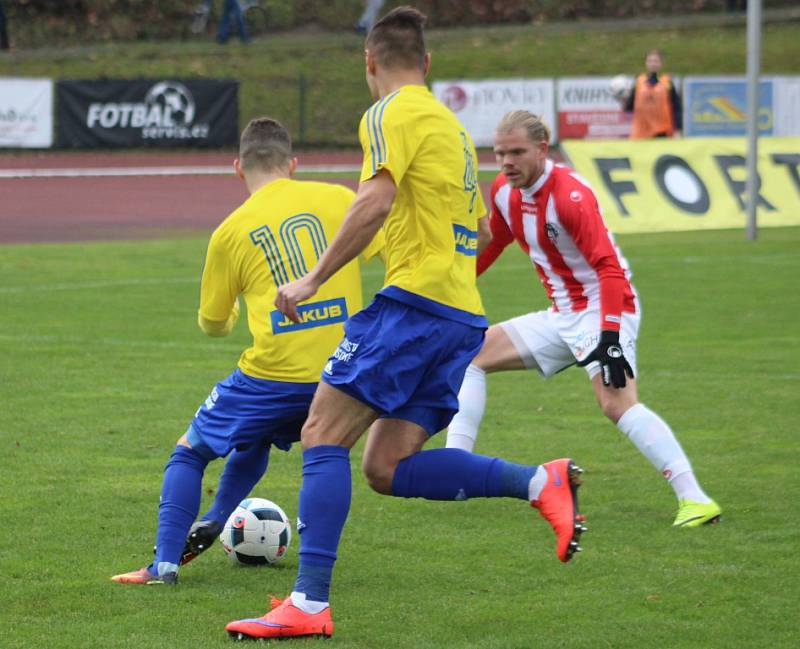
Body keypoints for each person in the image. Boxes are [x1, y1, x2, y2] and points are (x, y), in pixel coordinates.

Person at [225, 7, 585, 642]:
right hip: (459, 316)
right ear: (428, 64)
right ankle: (538, 480)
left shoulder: (389, 112)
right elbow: (474, 230)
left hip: (413, 307)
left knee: (322, 432)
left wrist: (312, 278)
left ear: (370, 62)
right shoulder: (450, 128)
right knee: (386, 468)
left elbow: (376, 197)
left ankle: (309, 604)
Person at [110, 117, 383, 585]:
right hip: (344, 372)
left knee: (190, 452)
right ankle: (219, 516)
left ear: (238, 168)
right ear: (294, 164)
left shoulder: (230, 231)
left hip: (273, 376)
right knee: (263, 439)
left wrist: (237, 313)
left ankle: (164, 566)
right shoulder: (340, 200)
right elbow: (392, 255)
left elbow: (213, 324)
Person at [445, 110, 721, 530]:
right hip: (563, 314)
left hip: (605, 308)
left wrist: (609, 334)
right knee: (472, 354)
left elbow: (608, 268)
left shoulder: (571, 196)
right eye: (499, 153)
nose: (506, 162)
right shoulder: (503, 190)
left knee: (616, 403)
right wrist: (453, 284)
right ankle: (457, 467)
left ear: (542, 148)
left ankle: (695, 499)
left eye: (516, 152)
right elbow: (496, 241)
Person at [624, 49, 682, 138]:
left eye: (656, 61)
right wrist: (622, 99)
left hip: (662, 132)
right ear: (646, 63)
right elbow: (629, 107)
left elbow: (676, 108)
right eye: (650, 61)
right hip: (641, 133)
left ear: (661, 64)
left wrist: (678, 129)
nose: (653, 64)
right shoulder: (638, 82)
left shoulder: (667, 83)